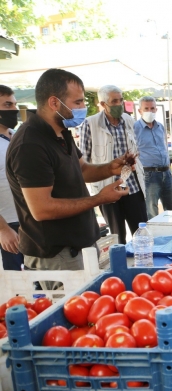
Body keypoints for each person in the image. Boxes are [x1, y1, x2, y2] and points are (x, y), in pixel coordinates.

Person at [5, 69, 130, 277]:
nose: (83, 108)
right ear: (54, 103)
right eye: (78, 102)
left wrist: (111, 167)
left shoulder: (62, 132)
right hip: (57, 255)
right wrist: (99, 198)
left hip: (80, 246)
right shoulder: (30, 144)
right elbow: (42, 209)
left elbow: (82, 170)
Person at [78, 85, 147, 245]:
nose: (119, 104)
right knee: (117, 238)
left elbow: (135, 148)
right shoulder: (90, 124)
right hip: (108, 188)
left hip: (132, 187)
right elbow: (83, 161)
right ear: (103, 104)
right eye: (114, 101)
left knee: (142, 233)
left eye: (121, 100)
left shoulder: (129, 120)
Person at [134, 96, 172, 220]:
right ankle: (155, 237)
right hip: (149, 174)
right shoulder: (135, 128)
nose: (150, 111)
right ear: (140, 111)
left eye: (152, 108)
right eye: (146, 108)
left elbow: (164, 147)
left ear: (156, 110)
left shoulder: (160, 127)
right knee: (151, 211)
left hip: (166, 172)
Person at [0, 85, 23, 270]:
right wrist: (3, 229)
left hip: (27, 222)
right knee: (16, 286)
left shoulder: (15, 136)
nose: (14, 110)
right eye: (7, 105)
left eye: (15, 104)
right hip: (7, 225)